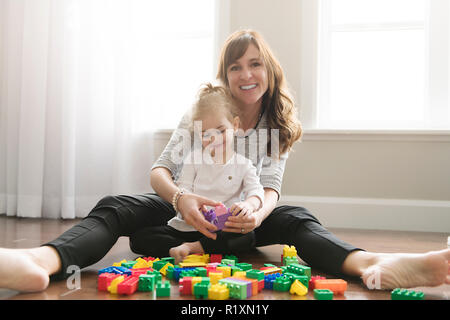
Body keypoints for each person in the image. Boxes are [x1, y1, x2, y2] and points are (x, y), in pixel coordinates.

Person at [0, 29, 448, 293]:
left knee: (295, 218)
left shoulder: (276, 123)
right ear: (226, 75)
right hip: (185, 209)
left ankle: (368, 264)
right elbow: (160, 169)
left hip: (242, 217)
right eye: (236, 67)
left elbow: (270, 189)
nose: (246, 74)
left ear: (268, 70)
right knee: (120, 206)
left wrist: (253, 211)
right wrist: (181, 200)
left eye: (255, 64)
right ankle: (43, 261)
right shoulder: (203, 112)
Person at [135, 83, 265, 264]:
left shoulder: (243, 165)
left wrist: (249, 205)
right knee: (138, 238)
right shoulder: (194, 160)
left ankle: (193, 249)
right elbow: (184, 188)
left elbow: (257, 191)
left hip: (221, 229)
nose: (214, 139)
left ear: (235, 125)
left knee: (247, 237)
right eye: (206, 134)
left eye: (220, 130)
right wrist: (190, 205)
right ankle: (189, 248)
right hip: (189, 226)